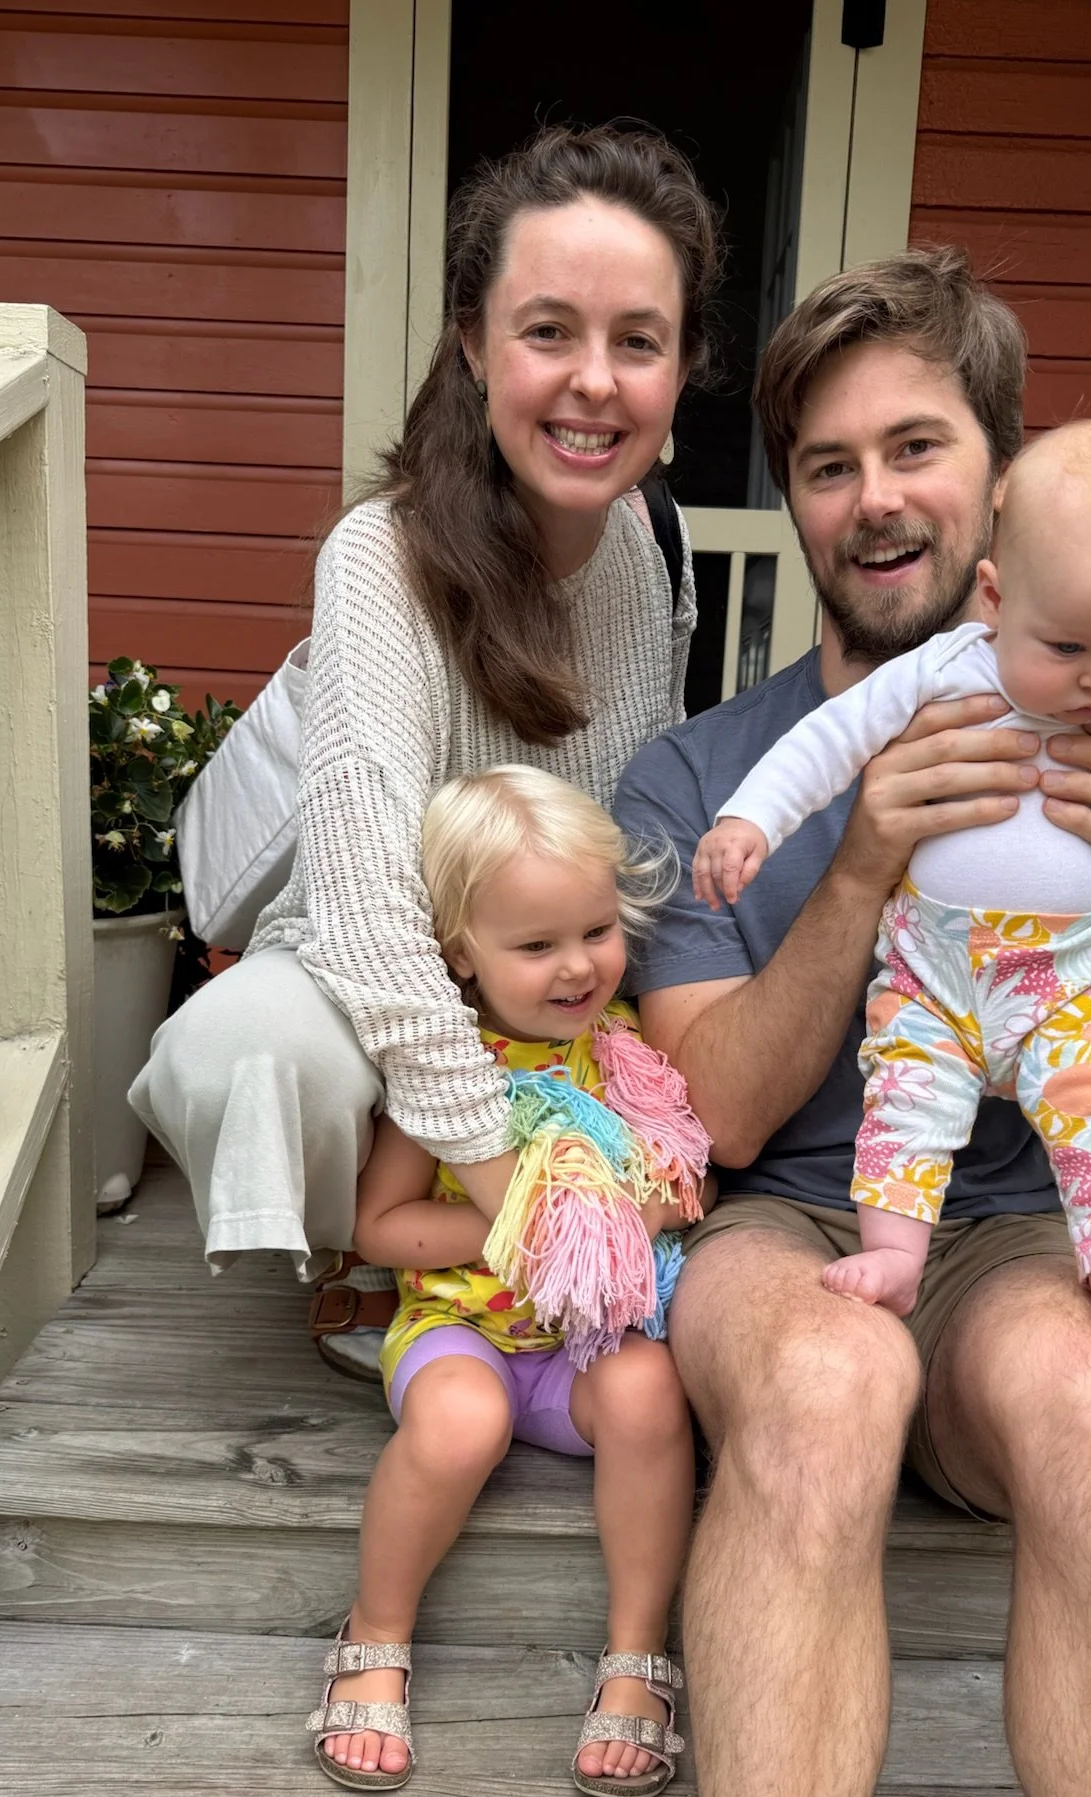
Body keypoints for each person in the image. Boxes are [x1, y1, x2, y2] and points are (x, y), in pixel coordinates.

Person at [613, 248, 1091, 1796]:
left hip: (1015, 1238)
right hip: (783, 1229)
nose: (872, 500)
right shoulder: (698, 778)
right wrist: (861, 867)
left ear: (1000, 484)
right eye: (827, 466)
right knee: (825, 1384)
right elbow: (717, 1121)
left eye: (912, 447)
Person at [129, 124, 722, 1376]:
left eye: (638, 341)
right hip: (391, 966)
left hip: (558, 983)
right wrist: (523, 1201)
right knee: (242, 1054)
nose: (595, 382)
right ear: (473, 342)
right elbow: (361, 919)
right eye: (548, 331)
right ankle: (380, 1260)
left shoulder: (652, 549)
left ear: (683, 367)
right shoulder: (381, 559)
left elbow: (641, 831)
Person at [693, 419, 1091, 1333]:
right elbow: (828, 740)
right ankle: (894, 1253)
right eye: (1066, 648)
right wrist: (749, 819)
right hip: (936, 967)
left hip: (1070, 976)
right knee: (907, 1095)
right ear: (994, 597)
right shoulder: (944, 669)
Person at [309, 766, 707, 1793]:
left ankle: (637, 1653)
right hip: (461, 1331)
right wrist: (526, 1222)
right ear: (461, 953)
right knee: (459, 1422)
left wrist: (635, 1211)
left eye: (596, 931)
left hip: (583, 1347)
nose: (577, 966)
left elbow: (681, 1177)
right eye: (535, 946)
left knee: (649, 1389)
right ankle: (377, 1628)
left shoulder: (627, 1053)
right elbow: (379, 1225)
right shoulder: (450, 1074)